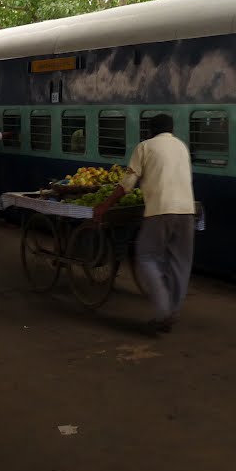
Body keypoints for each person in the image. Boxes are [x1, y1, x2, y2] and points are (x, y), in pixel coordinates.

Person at [94, 113, 195, 334]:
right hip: (187, 211)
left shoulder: (145, 147)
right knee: (180, 263)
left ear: (150, 130)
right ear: (172, 130)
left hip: (160, 210)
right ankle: (173, 310)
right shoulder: (181, 147)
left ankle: (163, 312)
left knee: (147, 256)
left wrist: (105, 205)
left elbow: (127, 184)